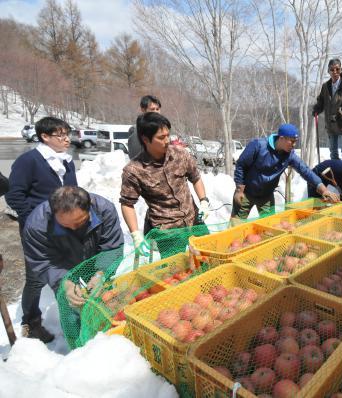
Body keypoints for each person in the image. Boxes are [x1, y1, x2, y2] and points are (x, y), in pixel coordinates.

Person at [5, 116, 77, 343]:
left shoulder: (66, 161)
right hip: (37, 231)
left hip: (66, 228)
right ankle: (31, 321)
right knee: (36, 278)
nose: (67, 139)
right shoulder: (29, 161)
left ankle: (72, 317)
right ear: (45, 137)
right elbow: (14, 194)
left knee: (69, 270)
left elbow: (74, 192)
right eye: (61, 135)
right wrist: (34, 220)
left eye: (68, 133)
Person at [21, 186, 123, 339]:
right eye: (66, 226)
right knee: (41, 286)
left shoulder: (104, 210)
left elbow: (112, 247)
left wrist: (101, 273)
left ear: (89, 208)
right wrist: (65, 282)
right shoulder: (36, 226)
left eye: (80, 222)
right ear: (54, 213)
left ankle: (99, 331)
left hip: (91, 255)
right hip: (55, 261)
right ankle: (31, 322)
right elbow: (43, 262)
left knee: (98, 292)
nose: (75, 229)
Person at [120, 112, 209, 254]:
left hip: (194, 221)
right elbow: (127, 203)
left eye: (168, 135)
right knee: (176, 272)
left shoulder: (180, 155)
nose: (167, 140)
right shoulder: (134, 170)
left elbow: (196, 178)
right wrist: (136, 235)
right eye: (161, 137)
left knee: (208, 257)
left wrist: (204, 201)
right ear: (145, 139)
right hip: (167, 232)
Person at [232, 124, 340, 219]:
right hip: (246, 193)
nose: (293, 145)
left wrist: (324, 190)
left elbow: (305, 171)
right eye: (291, 141)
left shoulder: (290, 155)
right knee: (235, 226)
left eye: (295, 142)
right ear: (282, 138)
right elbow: (241, 165)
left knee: (269, 228)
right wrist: (239, 190)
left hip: (266, 197)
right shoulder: (258, 146)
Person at [313, 59, 342, 162]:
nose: (335, 71)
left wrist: (338, 115)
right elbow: (321, 101)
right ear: (328, 71)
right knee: (333, 152)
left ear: (341, 70)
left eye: (337, 69)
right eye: (332, 69)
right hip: (331, 125)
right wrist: (317, 108)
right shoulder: (326, 86)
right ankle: (336, 174)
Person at [127, 95, 161, 160]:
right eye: (152, 109)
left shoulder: (163, 128)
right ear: (143, 110)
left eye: (157, 109)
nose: (156, 112)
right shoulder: (135, 130)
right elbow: (134, 156)